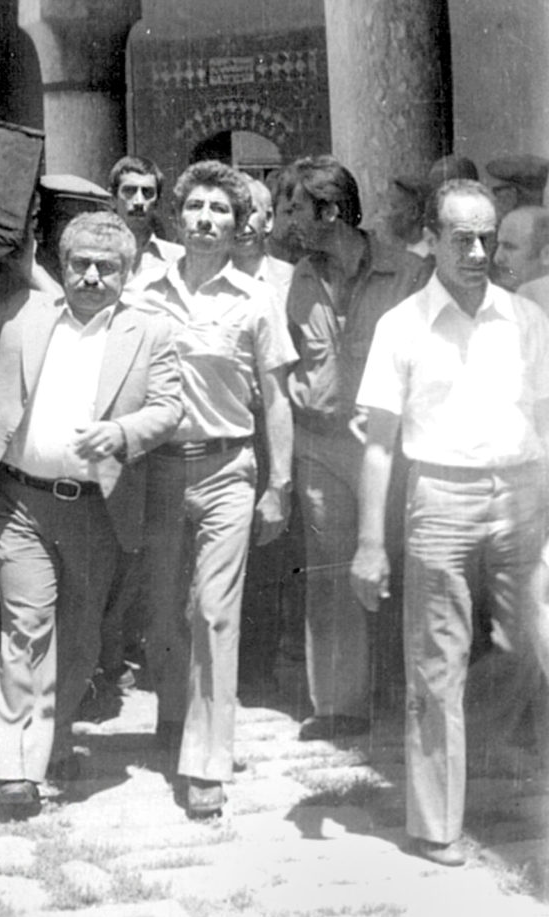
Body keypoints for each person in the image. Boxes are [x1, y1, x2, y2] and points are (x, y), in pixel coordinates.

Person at [351, 179, 549, 867]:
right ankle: (437, 824)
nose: (476, 251)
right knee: (435, 668)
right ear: (431, 239)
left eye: (487, 238)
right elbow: (378, 443)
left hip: (522, 496)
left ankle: (497, 770)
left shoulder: (528, 320)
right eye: (461, 237)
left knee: (534, 647)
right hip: (437, 499)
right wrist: (371, 543)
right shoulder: (400, 326)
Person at [0, 211, 182, 808]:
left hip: (95, 509)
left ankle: (52, 744)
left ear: (127, 274)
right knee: (25, 626)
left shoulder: (150, 333)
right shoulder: (23, 321)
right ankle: (11, 767)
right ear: (60, 267)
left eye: (105, 268)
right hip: (21, 501)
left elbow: (168, 408)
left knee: (81, 639)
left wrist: (123, 432)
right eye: (78, 264)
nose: (89, 276)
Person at [130, 161, 296, 818]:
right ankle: (175, 717)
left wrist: (279, 481)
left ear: (238, 226)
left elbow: (277, 398)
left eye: (219, 211)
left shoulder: (256, 300)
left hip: (229, 469)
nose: (205, 219)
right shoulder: (145, 292)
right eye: (195, 207)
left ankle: (206, 762)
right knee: (165, 606)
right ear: (178, 216)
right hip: (160, 470)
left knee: (214, 609)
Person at [280, 154, 429, 740]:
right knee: (330, 572)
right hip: (319, 444)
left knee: (408, 566)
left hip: (390, 448)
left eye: (295, 208)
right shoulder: (300, 275)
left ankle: (410, 692)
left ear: (331, 210)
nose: (286, 220)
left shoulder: (408, 273)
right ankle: (339, 706)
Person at [232, 178, 302, 688]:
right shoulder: (204, 277)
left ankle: (259, 661)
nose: (246, 221)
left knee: (270, 546)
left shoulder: (293, 279)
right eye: (236, 210)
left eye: (254, 210)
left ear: (269, 220)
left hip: (274, 424)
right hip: (224, 424)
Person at [108, 155, 184, 276]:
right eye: (129, 191)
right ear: (112, 199)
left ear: (157, 202)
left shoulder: (179, 259)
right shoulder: (93, 254)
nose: (139, 201)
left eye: (147, 192)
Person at [493, 205, 549, 305]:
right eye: (498, 246)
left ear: (546, 255)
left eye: (509, 247)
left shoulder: (528, 295)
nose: (497, 258)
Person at [485, 154, 549, 219]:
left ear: (512, 194)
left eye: (497, 191)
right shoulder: (543, 218)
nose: (495, 199)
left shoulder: (513, 222)